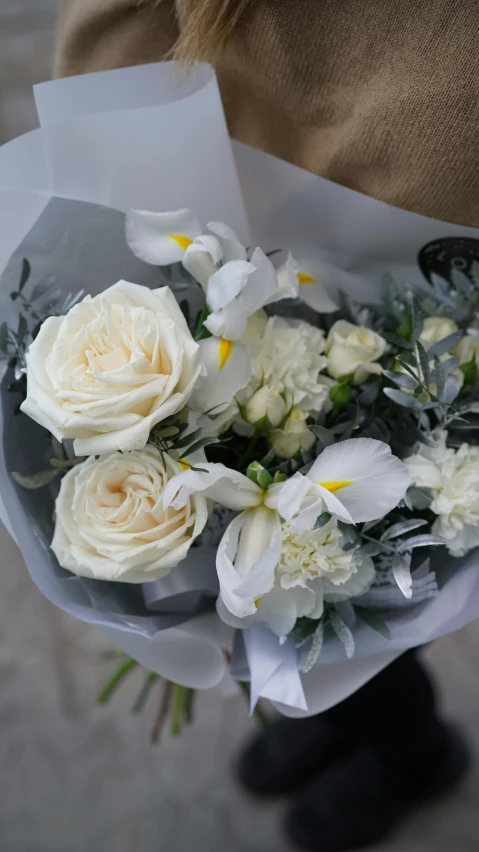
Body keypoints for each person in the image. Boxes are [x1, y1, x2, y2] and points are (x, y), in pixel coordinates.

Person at [55, 3, 476, 848]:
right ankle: (355, 720)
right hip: (241, 186)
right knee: (290, 597)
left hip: (428, 292)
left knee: (387, 563)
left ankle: (410, 750)